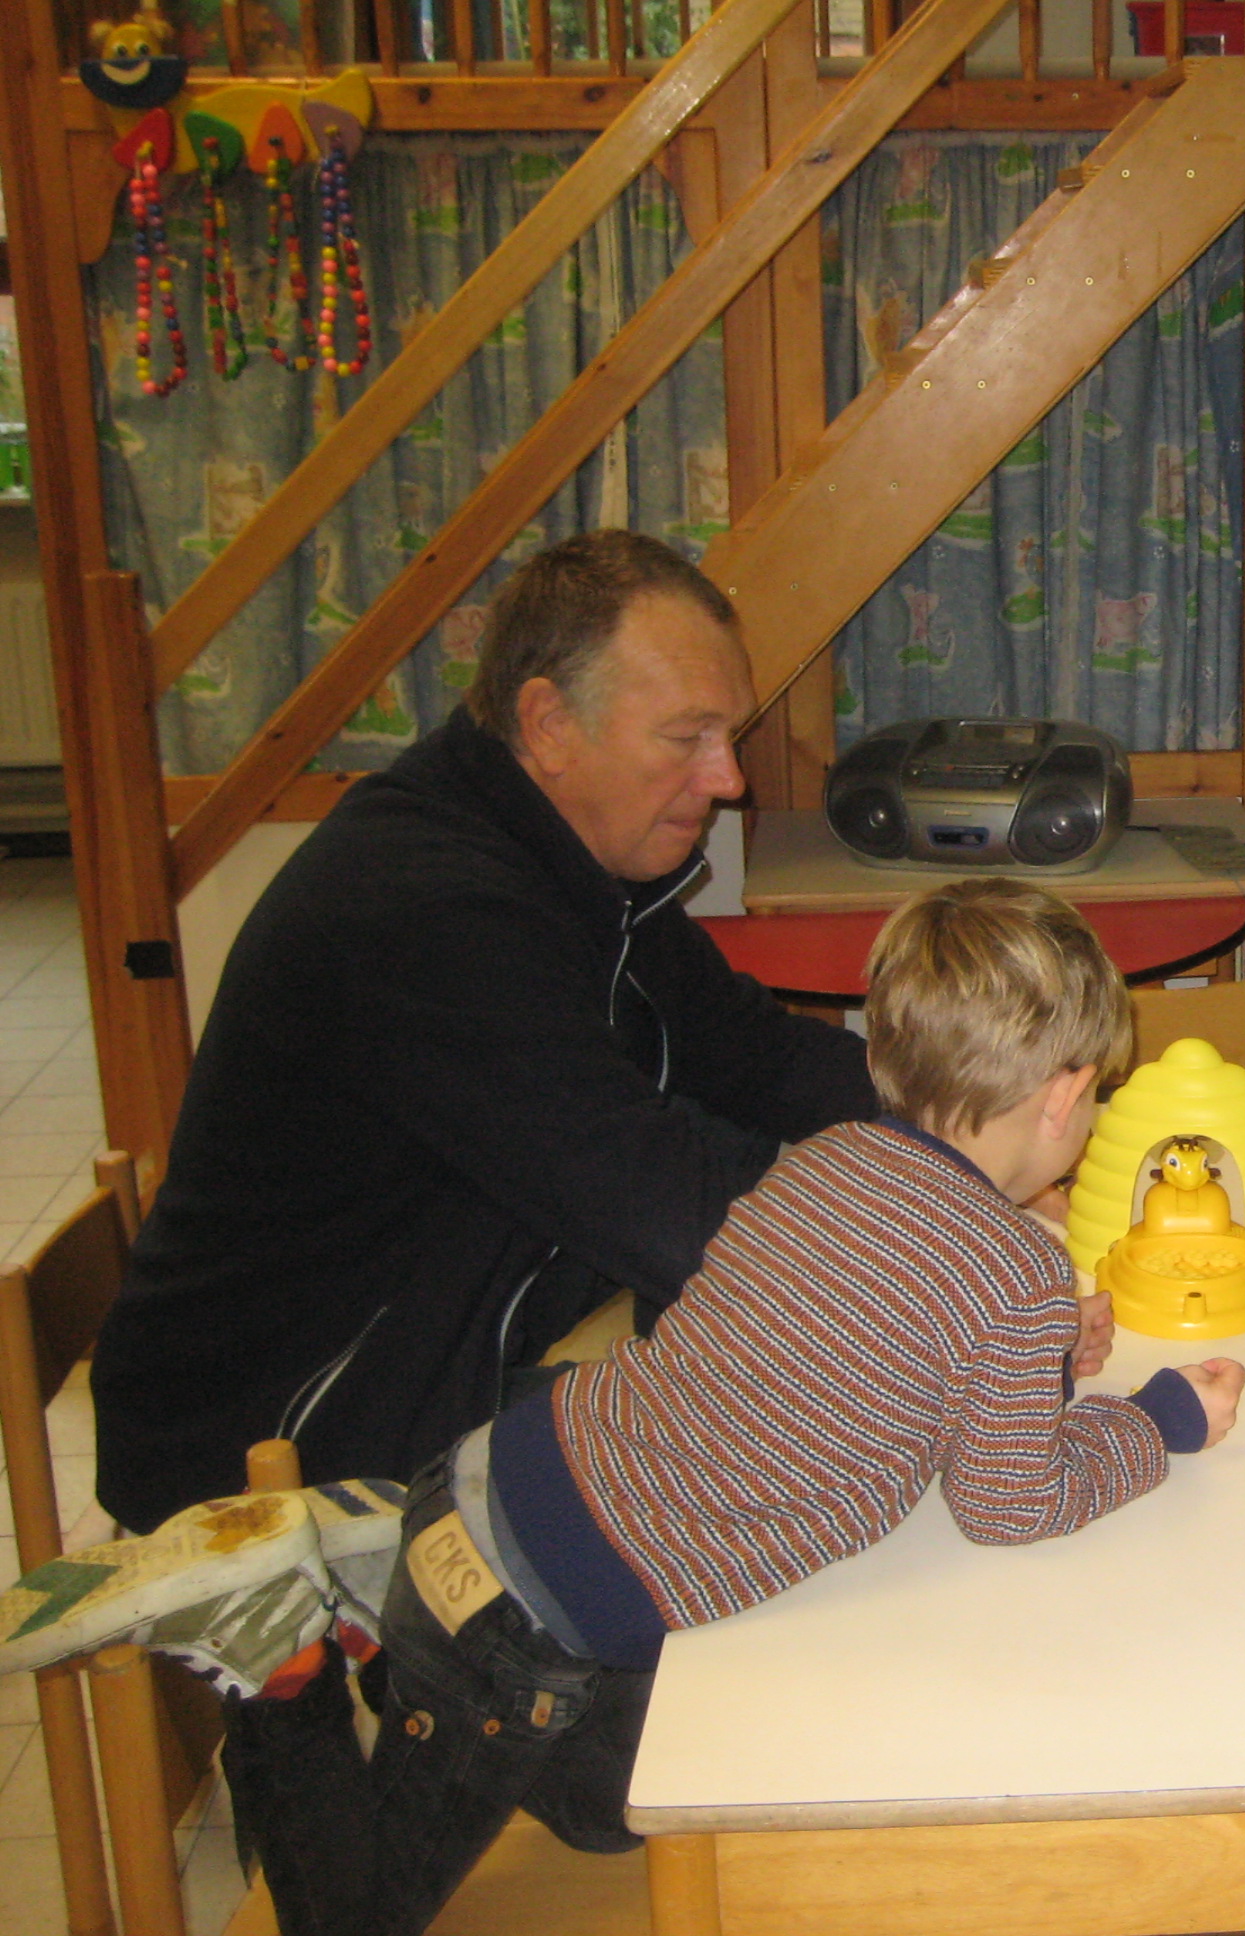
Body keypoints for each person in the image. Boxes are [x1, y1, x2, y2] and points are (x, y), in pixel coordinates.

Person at [3, 880, 1245, 1936]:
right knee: (350, 1911)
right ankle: (279, 1665)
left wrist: (1038, 1369)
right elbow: (1007, 1502)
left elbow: (855, 1356)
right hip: (527, 1615)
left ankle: (385, 1593)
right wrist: (1159, 1424)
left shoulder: (821, 1160)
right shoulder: (1018, 1270)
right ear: (1064, 1095)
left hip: (506, 1467)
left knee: (617, 1818)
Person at [94, 529, 885, 1537]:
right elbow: (666, 1203)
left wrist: (973, 1120)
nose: (728, 779)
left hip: (448, 1343)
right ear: (548, 723)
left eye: (727, 734)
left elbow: (756, 1054)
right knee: (792, 1512)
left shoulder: (565, 862)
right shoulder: (427, 911)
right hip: (281, 1464)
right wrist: (943, 1221)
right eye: (687, 737)